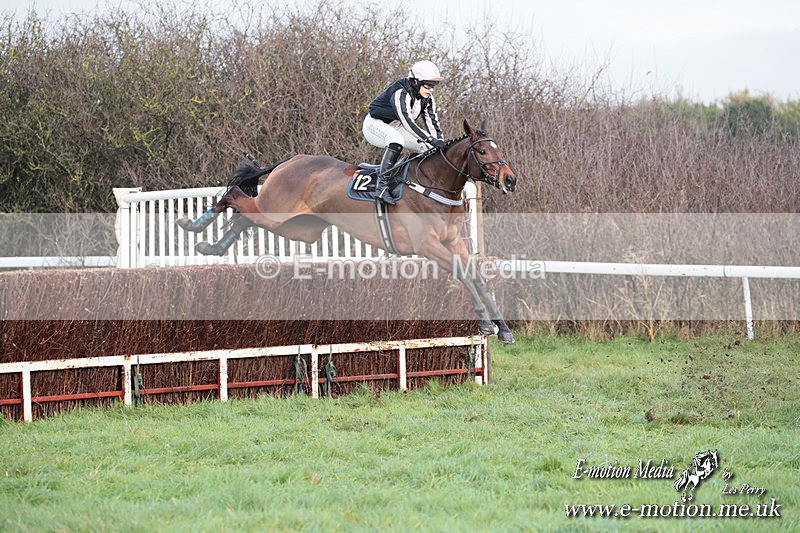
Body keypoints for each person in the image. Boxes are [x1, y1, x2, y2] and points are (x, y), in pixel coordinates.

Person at [362, 60, 447, 204]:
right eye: (428, 85)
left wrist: (440, 143)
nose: (431, 90)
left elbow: (433, 122)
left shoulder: (428, 99)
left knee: (427, 148)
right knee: (396, 141)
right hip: (375, 125)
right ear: (415, 82)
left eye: (434, 86)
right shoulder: (400, 93)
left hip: (397, 127)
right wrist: (431, 139)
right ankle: (381, 187)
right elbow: (408, 123)